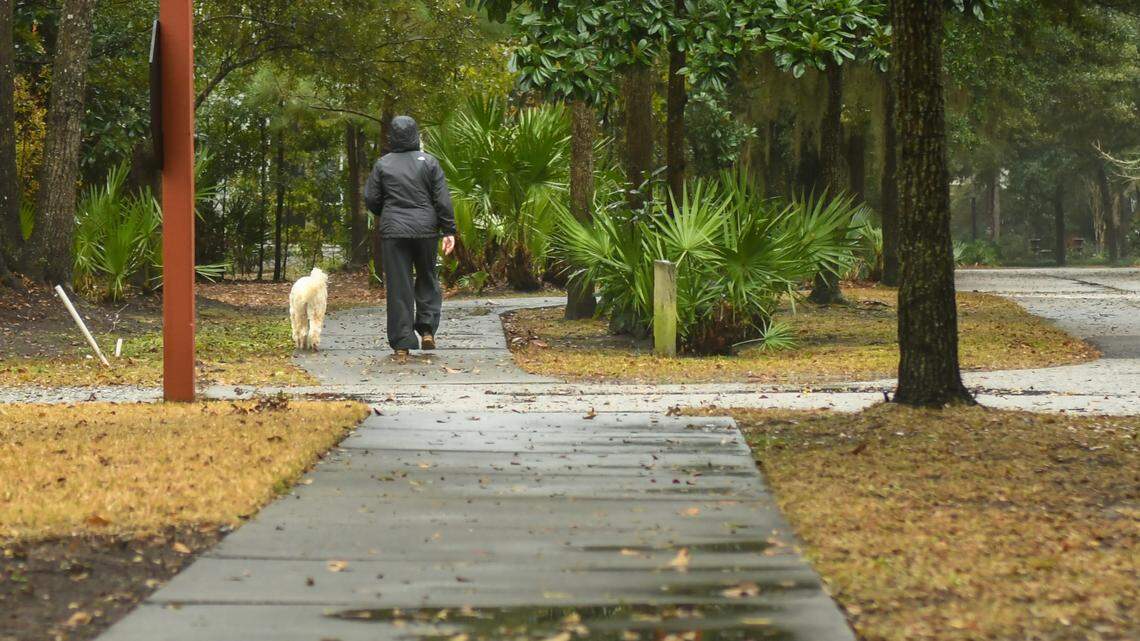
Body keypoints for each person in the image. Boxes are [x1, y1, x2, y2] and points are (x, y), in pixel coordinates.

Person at [364, 116, 456, 363]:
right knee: (427, 276)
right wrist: (449, 231)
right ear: (415, 134)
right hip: (426, 231)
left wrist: (389, 213)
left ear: (392, 136)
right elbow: (442, 200)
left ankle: (402, 343)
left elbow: (371, 199)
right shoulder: (430, 163)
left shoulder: (383, 164)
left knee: (398, 286)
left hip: (394, 232)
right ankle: (426, 330)